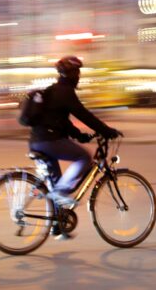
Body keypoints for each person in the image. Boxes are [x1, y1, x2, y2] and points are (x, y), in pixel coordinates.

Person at [28, 55, 121, 208]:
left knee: (55, 186)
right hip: (49, 141)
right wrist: (106, 131)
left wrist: (80, 136)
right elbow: (84, 115)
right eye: (77, 72)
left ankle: (57, 225)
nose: (79, 76)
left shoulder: (53, 90)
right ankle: (61, 193)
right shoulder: (65, 92)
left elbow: (62, 121)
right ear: (71, 74)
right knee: (83, 157)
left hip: (37, 141)